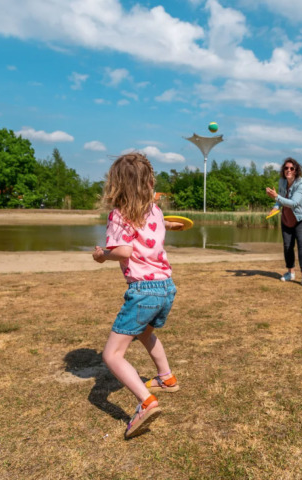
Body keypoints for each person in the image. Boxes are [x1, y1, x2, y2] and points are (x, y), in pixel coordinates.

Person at [92, 152, 183, 439]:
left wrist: (101, 255)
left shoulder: (119, 215)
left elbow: (124, 251)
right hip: (166, 286)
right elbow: (153, 230)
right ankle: (166, 378)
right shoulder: (155, 211)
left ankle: (146, 402)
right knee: (144, 331)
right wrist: (169, 224)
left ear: (117, 184)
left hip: (144, 290)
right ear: (148, 182)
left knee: (112, 354)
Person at [266, 157, 302, 287]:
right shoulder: (282, 181)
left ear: (296, 170)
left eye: (291, 168)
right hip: (287, 218)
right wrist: (275, 207)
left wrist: (276, 196)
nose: (288, 170)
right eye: (286, 168)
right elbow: (280, 199)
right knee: (287, 246)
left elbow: (293, 203)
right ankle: (290, 272)